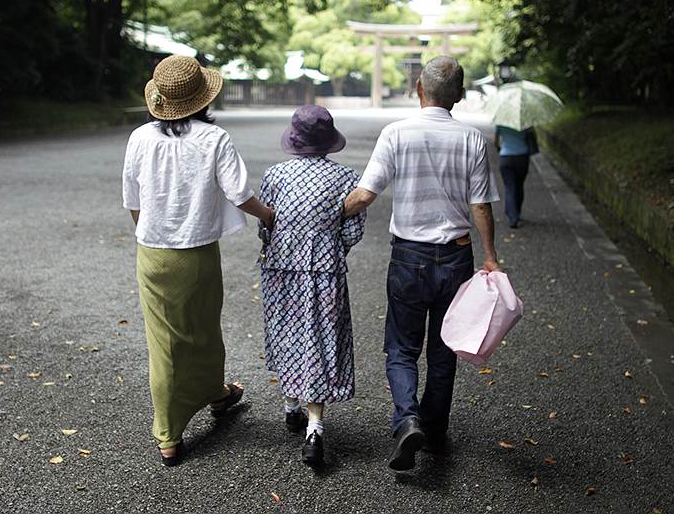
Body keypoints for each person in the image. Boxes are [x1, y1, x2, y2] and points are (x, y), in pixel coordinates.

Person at [343, 56, 501, 471]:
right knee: (445, 347)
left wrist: (322, 216)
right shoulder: (472, 139)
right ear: (460, 96)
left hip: (409, 257)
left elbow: (364, 195)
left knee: (401, 347)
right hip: (456, 257)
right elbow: (480, 205)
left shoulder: (397, 133)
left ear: (418, 88)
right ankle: (433, 431)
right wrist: (491, 258)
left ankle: (407, 418)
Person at [122, 55, 274, 467]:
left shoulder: (139, 138)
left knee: (164, 342)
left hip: (152, 252)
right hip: (198, 254)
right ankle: (184, 418)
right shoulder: (214, 139)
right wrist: (271, 216)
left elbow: (133, 202)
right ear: (203, 100)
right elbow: (240, 195)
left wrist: (152, 230)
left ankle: (179, 427)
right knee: (203, 329)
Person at [258, 105, 366, 466]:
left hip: (281, 265)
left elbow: (266, 226)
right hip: (325, 268)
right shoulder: (346, 179)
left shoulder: (275, 176)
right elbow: (352, 232)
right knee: (319, 338)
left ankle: (291, 405)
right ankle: (315, 427)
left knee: (286, 330)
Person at [494, 124, 539, 228]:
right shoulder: (526, 123)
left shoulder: (501, 123)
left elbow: (495, 142)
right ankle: (515, 213)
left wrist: (499, 148)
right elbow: (533, 138)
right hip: (522, 158)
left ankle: (512, 215)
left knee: (510, 187)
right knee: (519, 185)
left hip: (506, 158)